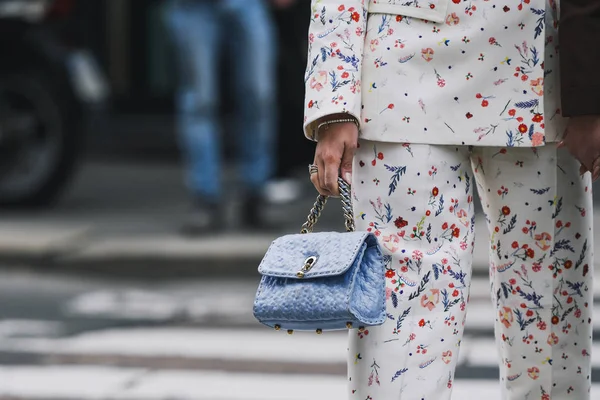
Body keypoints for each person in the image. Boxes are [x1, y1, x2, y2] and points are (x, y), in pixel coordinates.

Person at [304, 0, 599, 399]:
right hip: (403, 67)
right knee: (401, 306)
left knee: (545, 304)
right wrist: (334, 101)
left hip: (537, 68)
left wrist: (589, 95)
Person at [165, 0, 293, 234]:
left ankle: (255, 193)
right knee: (199, 101)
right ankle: (206, 198)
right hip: (193, 7)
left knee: (259, 96)